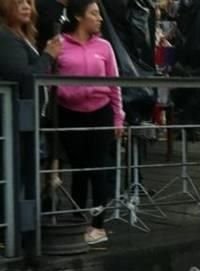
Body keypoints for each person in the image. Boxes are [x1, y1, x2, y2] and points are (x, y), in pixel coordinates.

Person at [55, 0, 123, 246]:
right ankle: (76, 221)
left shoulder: (104, 47)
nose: (99, 18)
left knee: (98, 169)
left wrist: (118, 116)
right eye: (94, 13)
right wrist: (65, 93)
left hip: (100, 111)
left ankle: (98, 224)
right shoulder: (60, 44)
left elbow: (115, 84)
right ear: (78, 16)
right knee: (79, 170)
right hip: (70, 113)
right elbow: (51, 81)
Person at [0, 0, 61, 256]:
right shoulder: (5, 38)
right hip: (14, 121)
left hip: (29, 121)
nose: (27, 7)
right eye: (20, 2)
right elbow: (24, 77)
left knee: (24, 175)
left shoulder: (20, 36)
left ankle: (18, 232)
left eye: (29, 2)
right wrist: (48, 55)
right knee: (14, 175)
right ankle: (11, 234)